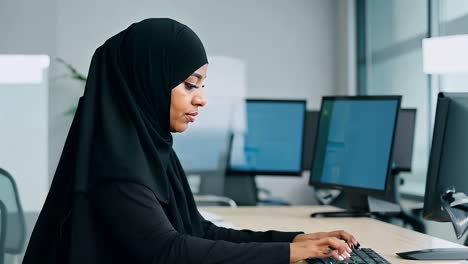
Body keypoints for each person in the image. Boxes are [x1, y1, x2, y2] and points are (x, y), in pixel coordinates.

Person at [23, 18, 359, 264]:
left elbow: (199, 231)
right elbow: (167, 252)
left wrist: (295, 240)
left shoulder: (152, 153)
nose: (201, 99)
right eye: (189, 84)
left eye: (201, 86)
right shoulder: (115, 170)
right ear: (148, 81)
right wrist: (288, 253)